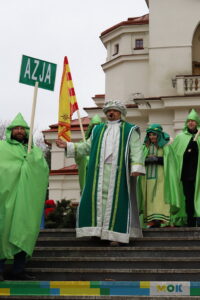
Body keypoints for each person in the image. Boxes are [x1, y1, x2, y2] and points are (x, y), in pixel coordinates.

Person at [56, 100, 145, 245]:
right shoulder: (98, 130)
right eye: (108, 111)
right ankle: (96, 232)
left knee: (117, 202)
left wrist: (136, 167)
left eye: (114, 110)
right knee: (97, 202)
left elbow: (136, 148)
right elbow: (87, 147)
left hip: (119, 173)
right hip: (98, 173)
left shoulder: (130, 130)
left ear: (121, 113)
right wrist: (68, 145)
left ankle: (114, 236)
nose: (111, 113)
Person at [0, 113, 49, 281]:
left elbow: (42, 170)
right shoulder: (2, 148)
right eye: (16, 128)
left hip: (26, 200)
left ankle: (18, 270)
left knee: (23, 231)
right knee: (3, 232)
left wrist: (31, 164)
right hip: (6, 198)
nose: (19, 131)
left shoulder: (33, 150)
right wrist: (18, 168)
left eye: (22, 128)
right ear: (10, 131)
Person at [137, 124, 179, 228]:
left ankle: (162, 220)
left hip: (162, 178)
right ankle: (152, 221)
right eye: (150, 135)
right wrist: (146, 159)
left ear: (159, 135)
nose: (152, 137)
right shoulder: (145, 147)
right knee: (150, 198)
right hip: (148, 179)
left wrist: (157, 159)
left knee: (160, 198)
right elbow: (139, 160)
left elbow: (171, 162)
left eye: (154, 135)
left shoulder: (166, 146)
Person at [172, 109, 200, 227]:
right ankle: (190, 220)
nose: (191, 123)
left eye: (193, 121)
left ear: (197, 122)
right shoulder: (180, 137)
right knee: (188, 197)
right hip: (187, 174)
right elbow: (176, 154)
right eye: (189, 121)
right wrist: (189, 150)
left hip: (198, 172)